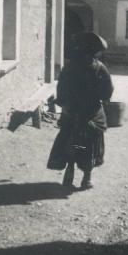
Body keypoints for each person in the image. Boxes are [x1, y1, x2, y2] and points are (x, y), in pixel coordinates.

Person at [47, 39, 114, 190]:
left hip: (71, 111)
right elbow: (107, 91)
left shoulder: (69, 67)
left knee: (71, 140)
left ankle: (69, 171)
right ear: (93, 51)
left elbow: (61, 88)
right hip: (91, 113)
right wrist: (103, 98)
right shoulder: (99, 67)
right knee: (88, 145)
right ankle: (86, 178)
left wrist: (64, 105)